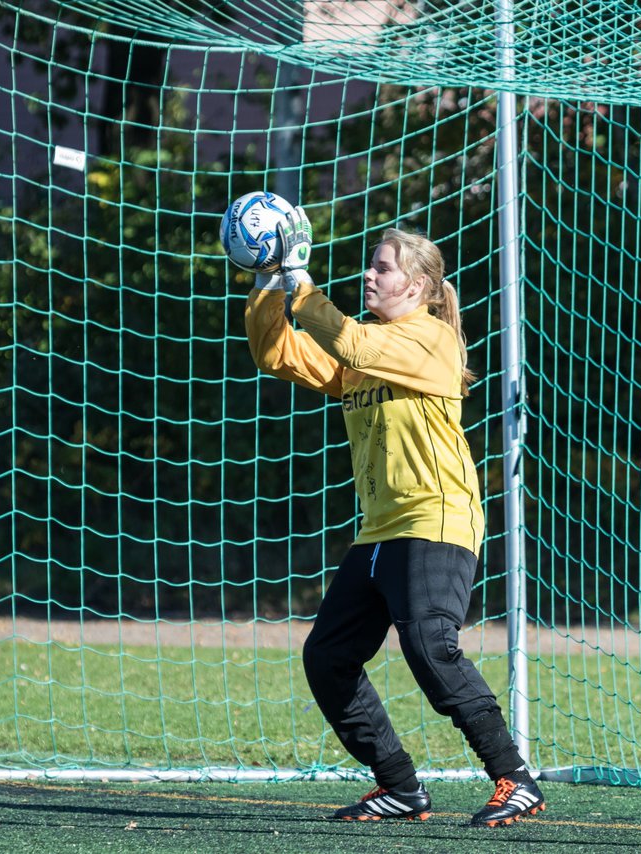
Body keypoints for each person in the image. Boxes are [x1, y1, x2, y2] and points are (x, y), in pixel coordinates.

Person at [243, 207, 546, 827]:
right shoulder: (365, 353)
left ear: (419, 287)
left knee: (429, 645)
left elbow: (350, 338)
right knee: (327, 656)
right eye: (372, 265)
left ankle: (515, 778)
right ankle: (400, 787)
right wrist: (269, 282)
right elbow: (274, 353)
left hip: (437, 520)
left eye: (383, 267)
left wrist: (302, 276)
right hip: (381, 531)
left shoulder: (431, 339)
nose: (370, 274)